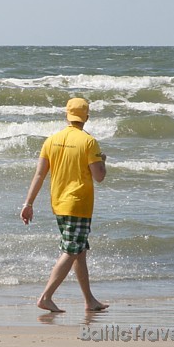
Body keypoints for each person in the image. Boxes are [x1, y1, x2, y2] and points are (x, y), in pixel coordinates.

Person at [20, 98, 108, 313]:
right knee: (71, 250)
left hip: (59, 203)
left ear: (67, 115)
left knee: (79, 251)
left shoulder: (52, 140)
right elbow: (99, 177)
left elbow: (40, 174)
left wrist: (28, 203)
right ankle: (45, 297)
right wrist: (103, 161)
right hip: (78, 204)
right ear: (86, 117)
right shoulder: (89, 142)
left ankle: (89, 301)